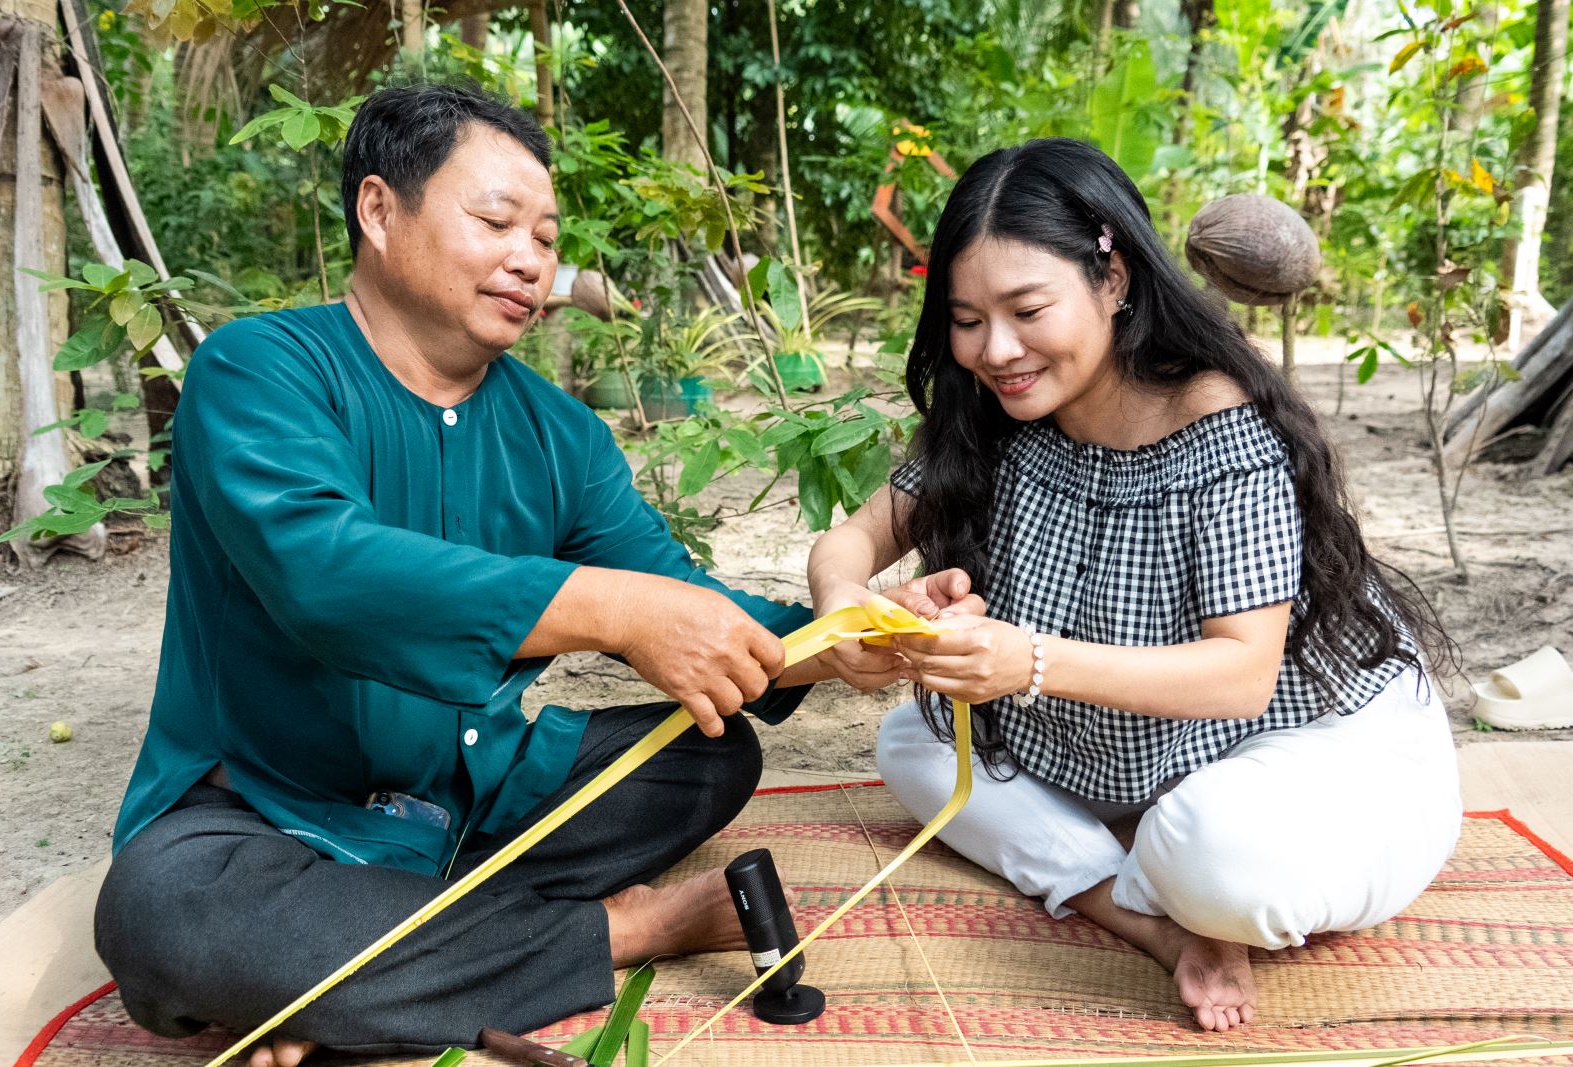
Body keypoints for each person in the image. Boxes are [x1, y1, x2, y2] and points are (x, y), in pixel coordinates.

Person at [93, 82, 913, 1067]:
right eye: (496, 221)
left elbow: (692, 606)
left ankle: (357, 968)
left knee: (710, 753)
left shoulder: (558, 432)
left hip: (468, 793)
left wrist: (854, 641)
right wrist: (607, 608)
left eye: (547, 236)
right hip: (267, 809)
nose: (531, 258)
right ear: (379, 210)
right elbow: (322, 572)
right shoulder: (257, 369)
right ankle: (628, 929)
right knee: (167, 921)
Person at [807, 138, 1462, 1034]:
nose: (996, 349)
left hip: (1310, 744)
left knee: (1218, 856)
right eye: (966, 319)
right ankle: (1145, 917)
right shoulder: (998, 414)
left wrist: (1021, 660)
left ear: (1112, 278)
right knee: (913, 744)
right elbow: (851, 540)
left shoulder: (1218, 426)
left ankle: (1171, 870)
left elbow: (1242, 675)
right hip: (1120, 753)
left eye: (1027, 308)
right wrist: (849, 607)